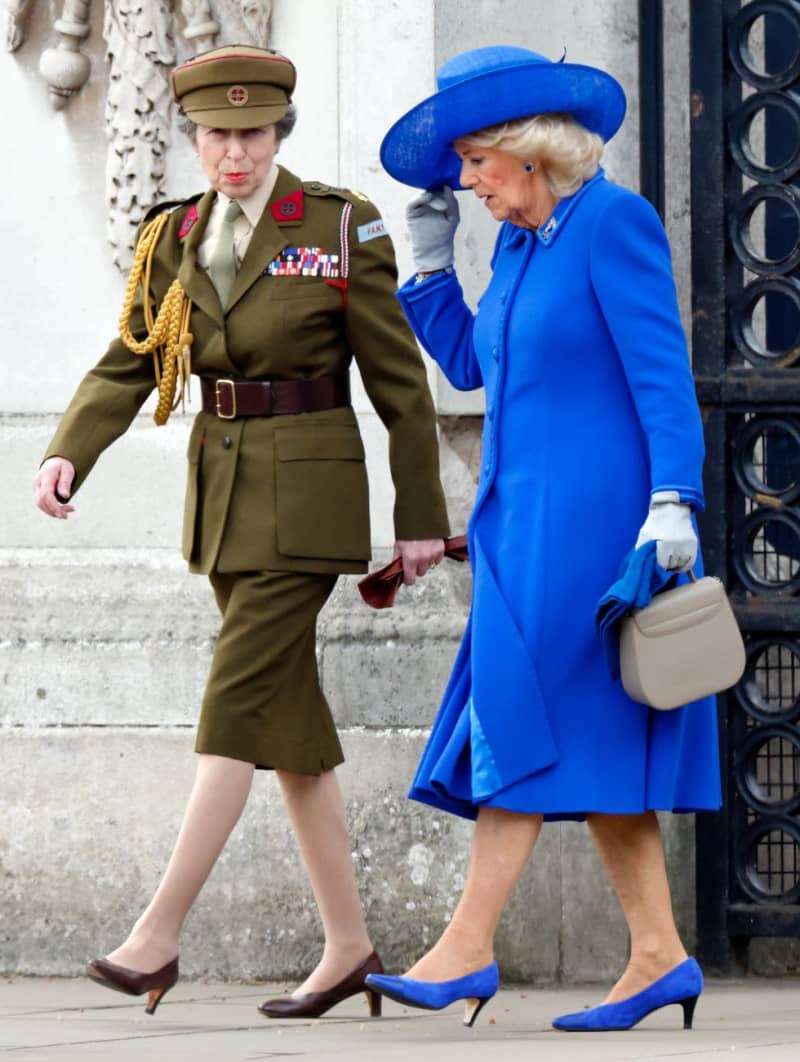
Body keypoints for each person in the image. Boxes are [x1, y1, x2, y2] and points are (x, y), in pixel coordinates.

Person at [33, 44, 449, 1019]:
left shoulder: (340, 230)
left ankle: (157, 935)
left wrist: (420, 519)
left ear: (278, 134)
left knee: (233, 702)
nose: (233, 154)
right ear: (193, 138)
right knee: (290, 729)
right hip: (222, 498)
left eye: (250, 134)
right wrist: (69, 451)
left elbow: (398, 390)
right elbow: (127, 359)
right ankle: (347, 946)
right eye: (216, 136)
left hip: (307, 504)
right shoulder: (174, 235)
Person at [365, 45, 720, 1032]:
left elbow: (661, 376)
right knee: (583, 734)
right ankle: (656, 955)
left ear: (529, 154)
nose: (464, 181)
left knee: (517, 721)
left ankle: (463, 950)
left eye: (474, 162)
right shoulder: (523, 246)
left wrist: (672, 502)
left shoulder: (612, 224)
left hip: (596, 530)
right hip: (519, 527)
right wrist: (430, 266)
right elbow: (476, 367)